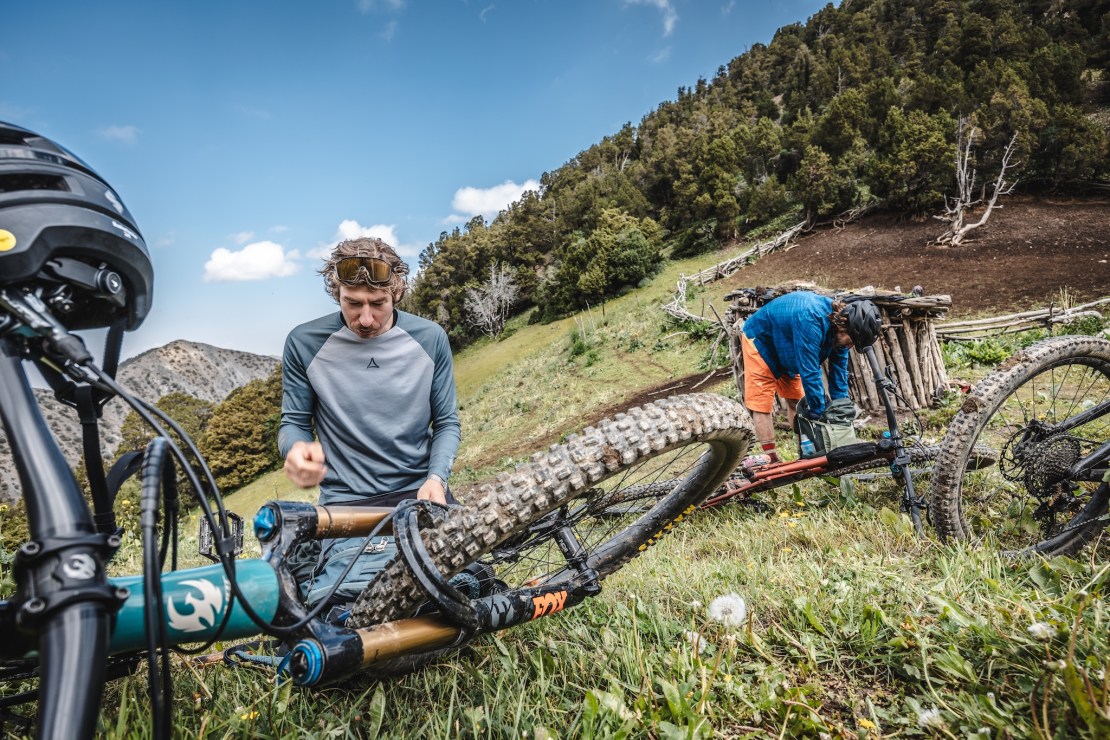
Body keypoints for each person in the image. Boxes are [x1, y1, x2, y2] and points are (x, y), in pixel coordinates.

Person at [278, 236, 462, 610]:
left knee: (460, 583)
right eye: (353, 303)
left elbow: (446, 422)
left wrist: (436, 478)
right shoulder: (303, 343)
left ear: (396, 293)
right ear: (337, 292)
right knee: (346, 600)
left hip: (420, 494)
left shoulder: (430, 339)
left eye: (378, 304)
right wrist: (296, 450)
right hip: (346, 506)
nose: (365, 318)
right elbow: (293, 422)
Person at [739, 291, 880, 468]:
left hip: (788, 344)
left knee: (796, 400)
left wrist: (840, 408)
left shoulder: (844, 333)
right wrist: (819, 410)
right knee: (762, 402)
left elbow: (839, 372)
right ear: (843, 327)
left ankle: (806, 450)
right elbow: (810, 371)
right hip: (762, 339)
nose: (850, 346)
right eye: (851, 341)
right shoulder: (811, 320)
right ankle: (772, 458)